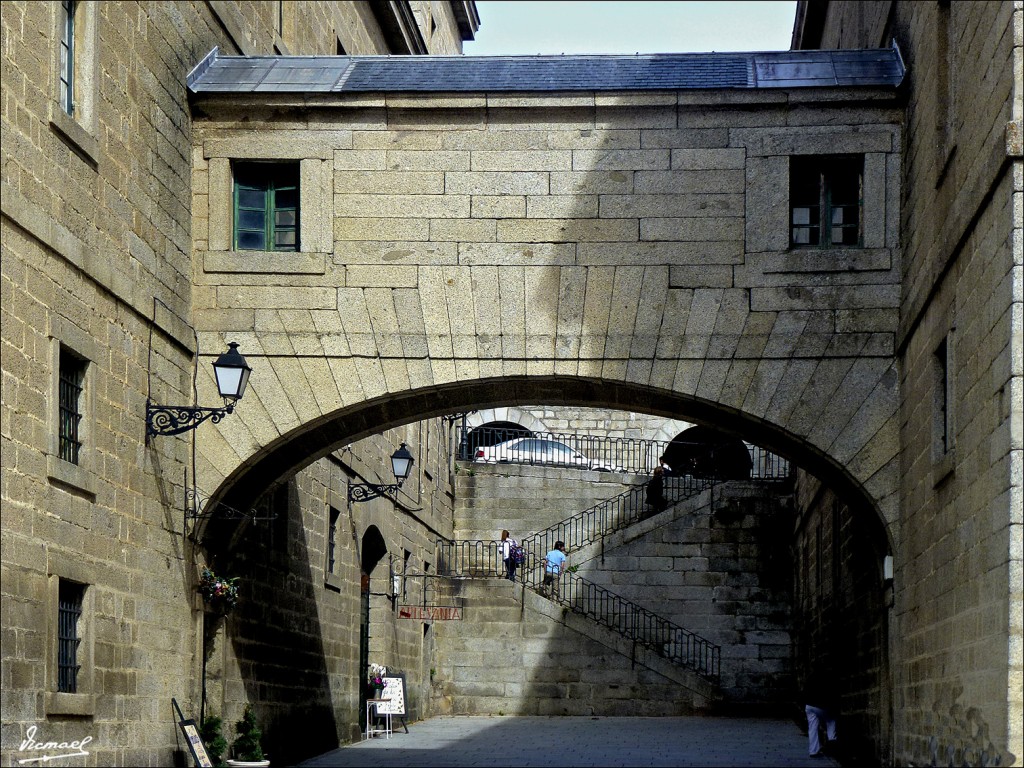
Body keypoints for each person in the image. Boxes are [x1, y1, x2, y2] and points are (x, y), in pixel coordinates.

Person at [804, 669, 838, 758]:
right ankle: (832, 742)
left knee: (812, 727)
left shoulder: (810, 676)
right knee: (831, 720)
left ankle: (813, 751)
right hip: (820, 705)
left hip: (809, 705)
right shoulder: (826, 676)